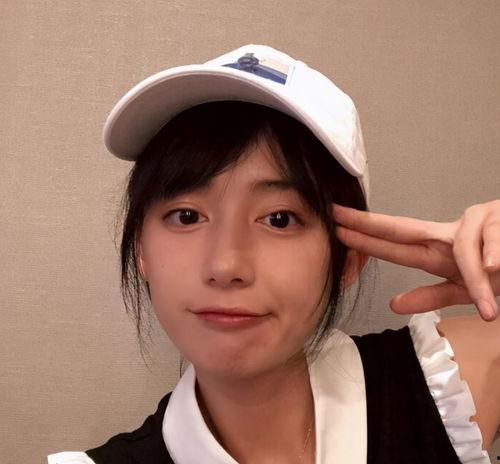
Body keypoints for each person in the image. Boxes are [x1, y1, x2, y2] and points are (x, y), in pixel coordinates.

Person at [47, 44, 499, 464]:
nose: (225, 266)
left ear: (347, 258)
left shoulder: (454, 386)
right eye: (186, 216)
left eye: (279, 219)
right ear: (141, 250)